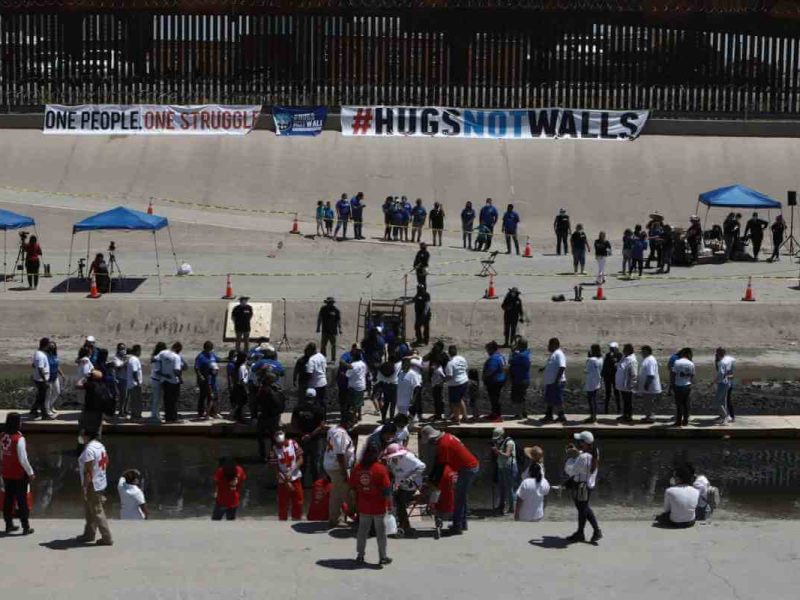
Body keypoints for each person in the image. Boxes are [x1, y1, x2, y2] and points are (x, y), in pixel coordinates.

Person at [422, 426, 479, 535]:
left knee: (459, 497)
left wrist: (433, 483)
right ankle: (462, 523)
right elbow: (437, 461)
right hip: (469, 466)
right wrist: (431, 478)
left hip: (468, 468)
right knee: (462, 496)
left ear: (433, 439)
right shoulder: (446, 437)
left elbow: (441, 466)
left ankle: (457, 526)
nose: (430, 444)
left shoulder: (444, 445)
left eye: (430, 441)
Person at [349, 446, 393, 565]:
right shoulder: (381, 469)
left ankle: (360, 555)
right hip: (378, 506)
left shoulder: (357, 468)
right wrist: (390, 505)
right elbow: (387, 490)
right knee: (381, 533)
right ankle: (383, 556)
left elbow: (352, 488)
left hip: (363, 506)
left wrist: (353, 504)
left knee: (362, 531)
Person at [564, 431, 601, 543]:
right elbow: (586, 461)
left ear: (584, 443)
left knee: (583, 509)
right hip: (588, 484)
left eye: (579, 441)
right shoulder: (594, 451)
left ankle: (591, 531)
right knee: (584, 508)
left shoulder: (583, 457)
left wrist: (571, 458)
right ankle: (585, 532)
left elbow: (571, 471)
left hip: (581, 485)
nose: (577, 443)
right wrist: (577, 453)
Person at [77, 430, 113, 545]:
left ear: (87, 436)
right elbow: (106, 460)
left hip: (93, 484)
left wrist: (85, 487)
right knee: (89, 510)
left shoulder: (89, 450)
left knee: (97, 511)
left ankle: (107, 538)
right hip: (101, 481)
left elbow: (88, 471)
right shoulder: (99, 445)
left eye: (82, 434)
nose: (80, 437)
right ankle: (89, 534)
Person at [2, 412, 35, 535]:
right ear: (17, 423)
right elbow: (23, 459)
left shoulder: (3, 436)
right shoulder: (19, 439)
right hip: (19, 474)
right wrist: (30, 472)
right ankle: (26, 527)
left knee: (8, 499)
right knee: (22, 500)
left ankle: (8, 525)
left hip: (6, 473)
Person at [382, 443, 425, 536]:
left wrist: (411, 477)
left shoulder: (408, 458)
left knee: (400, 501)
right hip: (401, 484)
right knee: (394, 500)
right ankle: (401, 523)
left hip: (412, 484)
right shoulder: (391, 461)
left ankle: (405, 525)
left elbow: (422, 466)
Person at [324, 413, 355, 528]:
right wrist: (343, 471)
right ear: (347, 422)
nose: (353, 425)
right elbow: (340, 454)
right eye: (353, 422)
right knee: (340, 493)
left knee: (337, 491)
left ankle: (338, 517)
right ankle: (335, 519)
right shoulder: (340, 434)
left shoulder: (333, 429)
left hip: (331, 464)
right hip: (337, 467)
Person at [290, 388, 326, 486]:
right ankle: (316, 486)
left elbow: (293, 424)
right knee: (316, 463)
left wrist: (303, 435)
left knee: (301, 462)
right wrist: (310, 435)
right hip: (315, 439)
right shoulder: (320, 409)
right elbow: (322, 426)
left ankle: (300, 485)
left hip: (301, 439)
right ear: (315, 397)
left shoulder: (297, 408)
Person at [271, 429, 304, 521]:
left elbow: (300, 459)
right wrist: (286, 482)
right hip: (282, 480)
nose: (281, 444)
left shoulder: (293, 443)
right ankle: (282, 522)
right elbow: (276, 468)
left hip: (295, 476)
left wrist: (291, 471)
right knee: (283, 503)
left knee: (298, 501)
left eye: (282, 442)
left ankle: (296, 519)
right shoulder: (273, 450)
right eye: (279, 443)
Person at [655, 464, 699, 528]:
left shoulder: (669, 491)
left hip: (675, 523)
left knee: (660, 517)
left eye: (674, 476)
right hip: (691, 522)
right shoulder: (696, 491)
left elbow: (666, 509)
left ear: (678, 478)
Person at [256, 370, 285, 461]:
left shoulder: (262, 389)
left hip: (265, 415)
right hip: (271, 416)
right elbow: (278, 402)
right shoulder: (270, 390)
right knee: (273, 437)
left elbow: (257, 401)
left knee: (262, 437)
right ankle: (271, 454)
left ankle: (264, 455)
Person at [491, 427, 517, 514]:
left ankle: (512, 508)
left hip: (509, 467)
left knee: (509, 488)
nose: (496, 439)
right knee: (501, 487)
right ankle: (501, 505)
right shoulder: (500, 442)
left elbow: (507, 454)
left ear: (502, 435)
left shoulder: (509, 442)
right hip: (501, 467)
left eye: (498, 437)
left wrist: (497, 451)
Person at [541, 337, 567, 423]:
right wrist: (544, 368)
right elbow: (552, 365)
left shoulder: (559, 354)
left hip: (557, 382)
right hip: (550, 382)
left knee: (558, 399)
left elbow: (562, 367)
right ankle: (549, 415)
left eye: (550, 345)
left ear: (554, 345)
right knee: (550, 399)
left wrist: (557, 380)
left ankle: (561, 416)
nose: (548, 346)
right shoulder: (554, 354)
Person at [159, 342, 186, 423]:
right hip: (173, 381)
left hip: (164, 380)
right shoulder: (176, 357)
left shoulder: (163, 353)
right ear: (178, 349)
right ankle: (174, 418)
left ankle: (168, 418)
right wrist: (180, 378)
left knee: (167, 400)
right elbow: (176, 370)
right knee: (174, 400)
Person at [194, 341, 220, 420]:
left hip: (212, 379)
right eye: (210, 348)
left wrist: (229, 358)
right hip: (204, 380)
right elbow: (196, 368)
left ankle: (211, 412)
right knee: (203, 396)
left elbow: (218, 359)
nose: (211, 350)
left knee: (211, 396)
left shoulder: (212, 354)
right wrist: (200, 376)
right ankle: (201, 412)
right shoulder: (200, 356)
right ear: (206, 348)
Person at [636, 345, 661, 424]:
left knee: (649, 403)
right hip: (648, 386)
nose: (641, 353)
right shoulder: (647, 359)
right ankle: (648, 417)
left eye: (642, 351)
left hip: (650, 386)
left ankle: (650, 418)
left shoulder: (650, 360)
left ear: (646, 351)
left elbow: (651, 375)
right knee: (647, 402)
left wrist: (646, 384)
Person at [482, 341, 507, 422]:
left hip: (494, 381)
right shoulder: (501, 356)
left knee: (494, 399)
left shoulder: (493, 358)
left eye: (488, 350)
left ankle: (498, 415)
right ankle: (494, 413)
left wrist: (484, 377)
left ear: (492, 349)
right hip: (500, 379)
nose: (487, 352)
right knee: (495, 398)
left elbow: (490, 370)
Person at [671, 348, 695, 427]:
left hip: (678, 385)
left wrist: (672, 384)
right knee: (685, 404)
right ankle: (685, 421)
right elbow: (692, 375)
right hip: (687, 385)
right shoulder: (691, 363)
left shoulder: (677, 362)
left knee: (679, 405)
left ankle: (678, 422)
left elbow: (673, 374)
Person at [508, 337, 531, 419]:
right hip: (525, 379)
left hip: (519, 380)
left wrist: (512, 352)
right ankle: (524, 412)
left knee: (518, 398)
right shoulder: (527, 353)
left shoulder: (520, 356)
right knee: (522, 396)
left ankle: (519, 415)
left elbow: (510, 361)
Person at [445, 345, 469, 424]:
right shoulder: (462, 358)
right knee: (460, 399)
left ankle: (457, 419)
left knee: (455, 402)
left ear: (449, 353)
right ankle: (465, 416)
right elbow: (465, 368)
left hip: (455, 384)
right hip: (464, 381)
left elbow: (449, 376)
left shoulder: (450, 363)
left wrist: (442, 380)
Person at [615, 343, 638, 423]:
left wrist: (632, 385)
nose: (623, 351)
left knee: (628, 401)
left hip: (627, 385)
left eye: (624, 349)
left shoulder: (632, 360)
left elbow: (634, 374)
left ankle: (629, 416)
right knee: (625, 401)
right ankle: (625, 415)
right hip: (623, 385)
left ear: (628, 350)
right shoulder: (625, 357)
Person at [713, 347, 736, 424]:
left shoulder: (722, 362)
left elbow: (721, 373)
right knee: (724, 400)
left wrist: (713, 382)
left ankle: (726, 417)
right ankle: (725, 417)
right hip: (729, 381)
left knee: (722, 401)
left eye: (717, 353)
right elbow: (731, 371)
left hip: (724, 382)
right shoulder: (730, 359)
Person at [30, 337, 51, 420]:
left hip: (38, 378)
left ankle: (33, 410)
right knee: (42, 397)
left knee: (40, 396)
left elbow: (33, 365)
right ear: (46, 345)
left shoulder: (37, 353)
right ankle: (44, 415)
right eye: (49, 344)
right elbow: (40, 368)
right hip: (41, 380)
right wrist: (45, 380)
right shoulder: (40, 355)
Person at [345, 348, 368, 421]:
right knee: (360, 402)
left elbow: (347, 375)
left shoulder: (352, 365)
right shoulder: (363, 364)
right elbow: (366, 372)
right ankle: (360, 415)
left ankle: (354, 417)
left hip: (354, 386)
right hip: (361, 385)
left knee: (353, 403)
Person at [317, 297, 341, 362]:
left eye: (330, 303)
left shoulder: (336, 310)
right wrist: (318, 327)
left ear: (332, 303)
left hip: (333, 331)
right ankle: (323, 358)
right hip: (325, 331)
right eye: (328, 303)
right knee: (323, 345)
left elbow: (338, 320)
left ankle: (333, 359)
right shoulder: (323, 309)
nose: (329, 304)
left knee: (333, 345)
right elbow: (320, 318)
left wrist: (340, 328)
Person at [305, 342, 329, 409]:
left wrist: (306, 383)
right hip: (323, 382)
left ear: (311, 350)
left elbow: (309, 373)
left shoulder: (311, 360)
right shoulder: (321, 356)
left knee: (315, 403)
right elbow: (326, 369)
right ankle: (324, 417)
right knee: (322, 401)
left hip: (315, 384)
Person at [147, 341, 167, 423]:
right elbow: (157, 371)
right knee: (157, 399)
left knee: (158, 398)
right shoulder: (157, 358)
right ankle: (154, 415)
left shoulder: (156, 357)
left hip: (156, 379)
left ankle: (156, 414)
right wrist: (166, 375)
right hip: (156, 380)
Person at [584, 344, 603, 423]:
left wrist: (588, 358)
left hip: (591, 382)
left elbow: (586, 370)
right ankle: (594, 416)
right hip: (597, 381)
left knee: (590, 400)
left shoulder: (591, 360)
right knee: (594, 399)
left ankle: (592, 416)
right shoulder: (601, 359)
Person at [45, 341, 64, 418]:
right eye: (50, 346)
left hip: (55, 376)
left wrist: (62, 374)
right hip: (48, 378)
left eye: (53, 346)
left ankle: (50, 405)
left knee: (57, 392)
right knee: (48, 395)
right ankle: (47, 409)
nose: (52, 347)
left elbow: (57, 366)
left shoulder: (55, 355)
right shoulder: (45, 356)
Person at [601, 342, 621, 414]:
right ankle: (606, 408)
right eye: (610, 348)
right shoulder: (607, 355)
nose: (610, 349)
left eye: (612, 348)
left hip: (615, 377)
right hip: (607, 377)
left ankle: (619, 408)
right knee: (608, 393)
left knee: (616, 392)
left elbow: (619, 366)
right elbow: (605, 365)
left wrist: (613, 358)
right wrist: (602, 374)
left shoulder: (619, 355)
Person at [126, 345, 143, 420]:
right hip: (135, 384)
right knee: (136, 401)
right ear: (137, 351)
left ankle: (134, 415)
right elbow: (135, 372)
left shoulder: (132, 359)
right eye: (140, 351)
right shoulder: (134, 359)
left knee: (134, 401)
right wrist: (138, 382)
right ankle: (136, 416)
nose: (140, 353)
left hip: (132, 384)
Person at [111, 344, 128, 418]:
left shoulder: (126, 358)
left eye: (124, 348)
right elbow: (118, 366)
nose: (123, 350)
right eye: (121, 348)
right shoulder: (116, 358)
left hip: (127, 379)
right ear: (118, 349)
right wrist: (125, 362)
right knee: (121, 396)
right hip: (120, 379)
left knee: (125, 396)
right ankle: (120, 411)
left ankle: (124, 410)